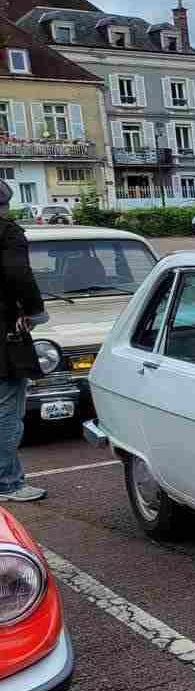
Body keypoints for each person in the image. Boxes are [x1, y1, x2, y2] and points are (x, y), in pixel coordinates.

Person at [0, 181, 46, 502]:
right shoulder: (7, 232)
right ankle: (8, 482)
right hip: (4, 331)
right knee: (7, 410)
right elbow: (19, 274)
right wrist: (32, 311)